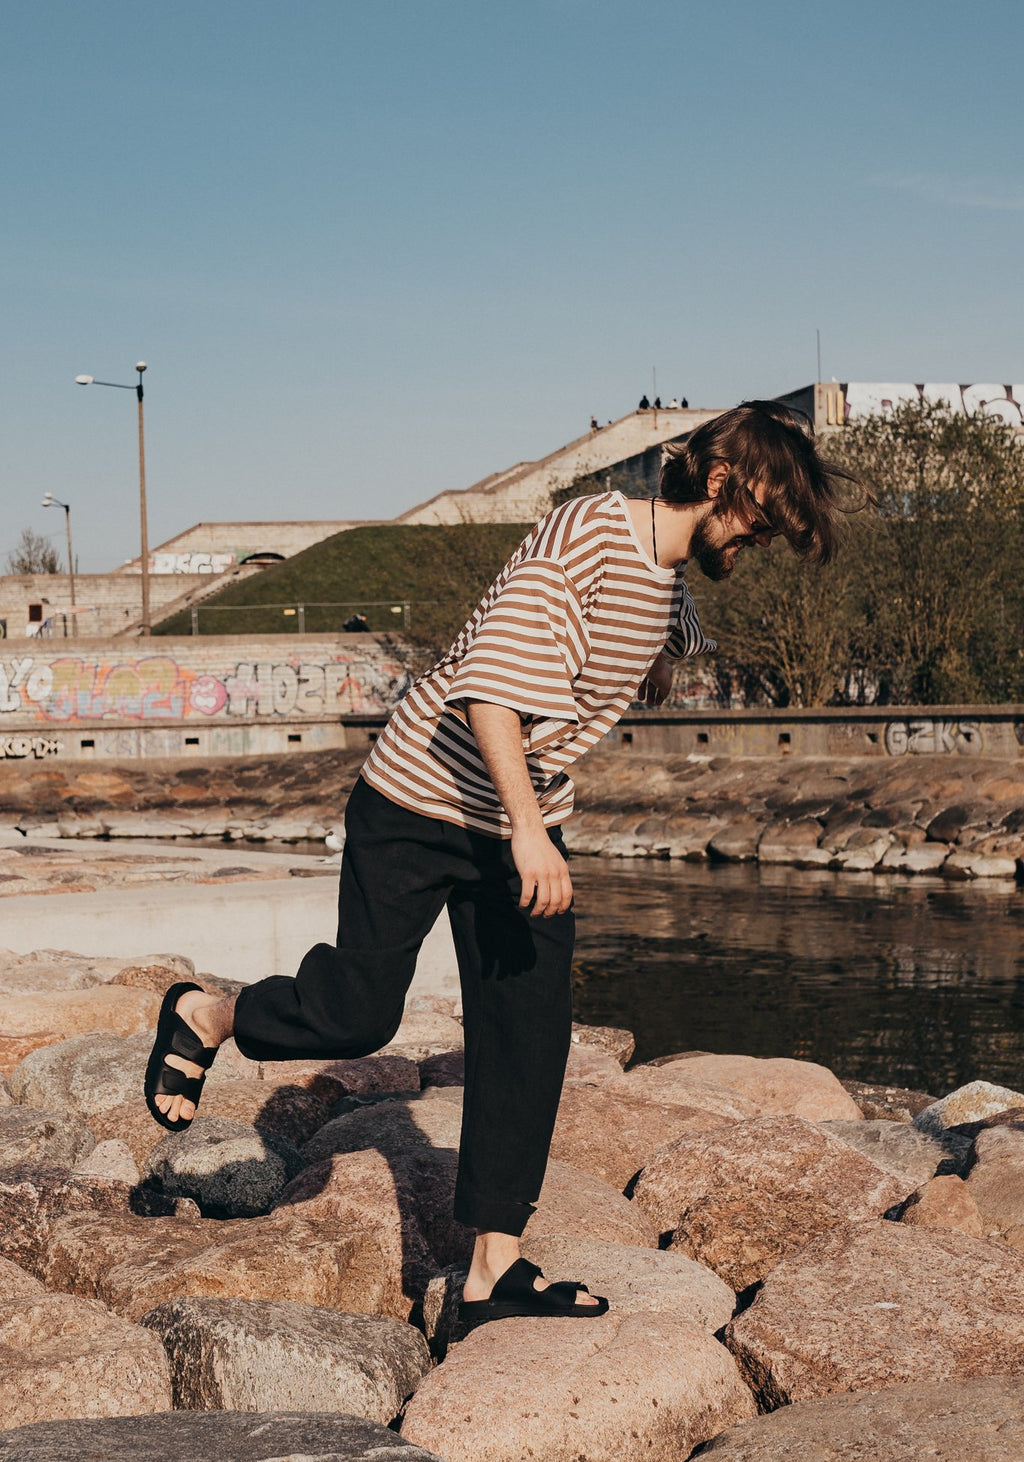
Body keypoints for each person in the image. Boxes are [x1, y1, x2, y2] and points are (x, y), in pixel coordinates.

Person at [144, 401, 862, 1326]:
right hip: (419, 800)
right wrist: (529, 832)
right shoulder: (589, 532)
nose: (762, 540)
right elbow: (488, 690)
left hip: (516, 809)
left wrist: (658, 661)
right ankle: (207, 1014)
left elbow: (651, 617)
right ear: (721, 480)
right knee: (357, 1013)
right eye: (762, 518)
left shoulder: (667, 568)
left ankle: (491, 1270)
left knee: (529, 1030)